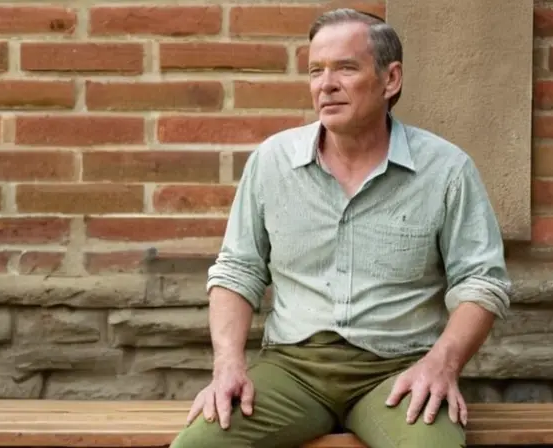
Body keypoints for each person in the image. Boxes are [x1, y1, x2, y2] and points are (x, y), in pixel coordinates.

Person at [169, 7, 511, 448]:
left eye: (345, 68)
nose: (325, 84)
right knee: (198, 445)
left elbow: (482, 281)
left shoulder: (445, 169)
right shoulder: (273, 163)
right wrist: (228, 365)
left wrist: (441, 365)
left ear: (391, 80)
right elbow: (238, 271)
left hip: (397, 372)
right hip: (292, 370)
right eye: (316, 71)